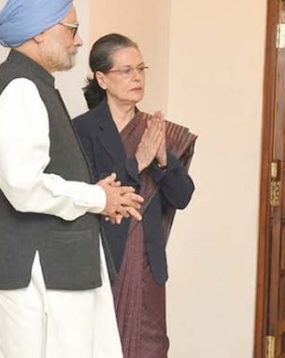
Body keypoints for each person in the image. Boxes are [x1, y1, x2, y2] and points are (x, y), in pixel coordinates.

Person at [0, 0, 144, 358]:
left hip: (53, 272)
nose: (78, 39)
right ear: (39, 33)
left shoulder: (35, 84)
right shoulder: (21, 88)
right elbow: (23, 185)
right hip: (36, 276)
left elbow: (40, 173)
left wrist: (97, 194)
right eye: (71, 28)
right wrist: (95, 197)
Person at [74, 33, 195, 358]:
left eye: (141, 69)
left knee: (149, 347)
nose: (137, 77)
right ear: (102, 78)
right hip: (99, 258)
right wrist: (136, 162)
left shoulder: (154, 129)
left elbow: (182, 197)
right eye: (126, 71)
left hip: (145, 261)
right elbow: (82, 194)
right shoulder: (81, 130)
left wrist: (162, 160)